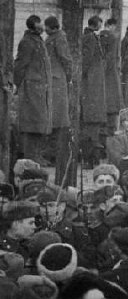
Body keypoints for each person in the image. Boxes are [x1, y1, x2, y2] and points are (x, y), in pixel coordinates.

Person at [13, 15, 53, 165]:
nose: (43, 26)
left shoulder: (36, 40)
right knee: (31, 124)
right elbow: (20, 65)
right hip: (31, 88)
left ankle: (36, 155)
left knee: (39, 123)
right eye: (40, 23)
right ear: (35, 25)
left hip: (39, 88)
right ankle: (30, 158)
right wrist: (17, 84)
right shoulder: (27, 42)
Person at [43, 15, 73, 180]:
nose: (45, 30)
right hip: (53, 80)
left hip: (57, 81)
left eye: (46, 27)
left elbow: (66, 59)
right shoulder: (53, 37)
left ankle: (53, 156)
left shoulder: (59, 39)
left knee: (58, 120)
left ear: (51, 27)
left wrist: (67, 78)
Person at [81, 15, 107, 166]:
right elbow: (87, 59)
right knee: (92, 126)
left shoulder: (91, 37)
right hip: (92, 86)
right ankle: (90, 159)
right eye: (100, 24)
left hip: (94, 85)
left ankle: (92, 158)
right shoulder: (90, 38)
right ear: (96, 24)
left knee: (93, 126)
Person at [100, 17, 124, 132]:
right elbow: (111, 57)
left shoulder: (99, 36)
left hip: (100, 71)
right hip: (111, 72)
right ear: (111, 25)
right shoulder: (113, 37)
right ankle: (111, 127)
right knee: (112, 99)